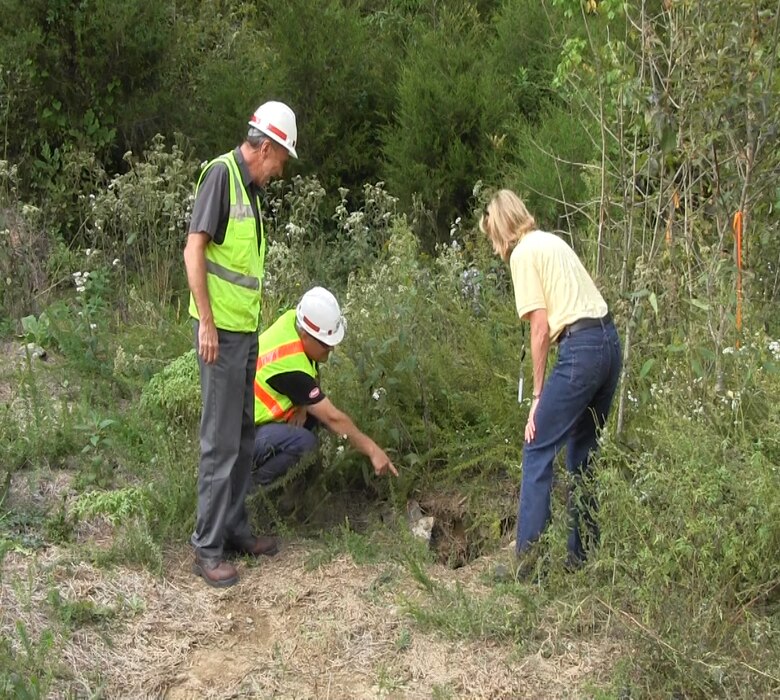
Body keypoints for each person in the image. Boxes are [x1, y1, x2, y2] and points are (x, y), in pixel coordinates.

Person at [183, 101, 298, 588]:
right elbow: (194, 248)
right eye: (283, 160)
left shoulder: (250, 191)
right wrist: (207, 323)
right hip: (221, 336)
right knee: (220, 443)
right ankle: (206, 550)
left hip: (243, 333)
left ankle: (234, 530)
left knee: (244, 436)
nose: (282, 170)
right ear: (266, 147)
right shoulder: (221, 176)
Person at [480, 189, 621, 573]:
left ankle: (527, 567)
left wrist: (539, 395)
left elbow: (540, 329)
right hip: (609, 344)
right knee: (582, 454)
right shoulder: (551, 242)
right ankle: (582, 560)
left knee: (537, 445)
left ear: (501, 227)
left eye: (492, 236)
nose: (495, 249)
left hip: (582, 350)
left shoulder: (523, 253)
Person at [252, 287, 398, 496]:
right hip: (241, 438)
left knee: (311, 418)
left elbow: (310, 378)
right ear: (305, 335)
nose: (331, 349)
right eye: (325, 344)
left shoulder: (294, 320)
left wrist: (301, 405)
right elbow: (333, 418)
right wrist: (372, 450)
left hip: (255, 422)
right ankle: (251, 493)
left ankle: (299, 490)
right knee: (305, 442)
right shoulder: (290, 367)